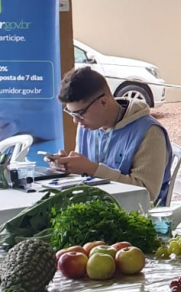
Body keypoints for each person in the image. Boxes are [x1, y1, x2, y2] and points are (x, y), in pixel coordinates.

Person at [54, 67, 172, 205]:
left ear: (103, 102)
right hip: (96, 211)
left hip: (138, 219)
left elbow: (147, 195)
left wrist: (92, 169)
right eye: (71, 114)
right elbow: (84, 178)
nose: (76, 121)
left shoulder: (150, 132)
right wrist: (68, 167)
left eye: (80, 113)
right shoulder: (87, 126)